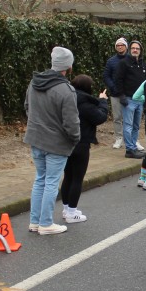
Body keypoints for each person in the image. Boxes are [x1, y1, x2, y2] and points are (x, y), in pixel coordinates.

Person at [25, 46, 81, 235]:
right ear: (68, 67)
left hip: (36, 138)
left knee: (40, 179)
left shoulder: (34, 83)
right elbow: (71, 122)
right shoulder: (66, 90)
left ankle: (35, 221)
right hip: (56, 143)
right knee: (51, 182)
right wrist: (75, 139)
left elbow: (27, 107)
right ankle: (46, 223)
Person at [60, 74, 108, 223]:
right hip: (81, 143)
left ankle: (66, 209)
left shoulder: (67, 99)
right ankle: (72, 212)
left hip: (66, 142)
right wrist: (103, 101)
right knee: (77, 178)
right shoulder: (86, 104)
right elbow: (100, 117)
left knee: (68, 176)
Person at [115, 40, 146, 158]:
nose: (135, 50)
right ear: (129, 50)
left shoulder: (144, 65)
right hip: (128, 99)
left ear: (141, 50)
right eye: (133, 48)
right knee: (128, 125)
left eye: (137, 48)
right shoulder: (123, 63)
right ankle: (129, 150)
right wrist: (121, 95)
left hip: (140, 100)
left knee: (136, 126)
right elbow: (118, 80)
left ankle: (134, 147)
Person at [102, 37, 128, 149]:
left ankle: (130, 139)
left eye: (122, 45)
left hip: (128, 94)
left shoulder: (131, 59)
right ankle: (119, 138)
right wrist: (113, 87)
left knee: (129, 118)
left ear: (126, 46)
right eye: (118, 45)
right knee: (117, 117)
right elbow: (106, 76)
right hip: (115, 94)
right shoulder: (111, 61)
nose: (120, 47)